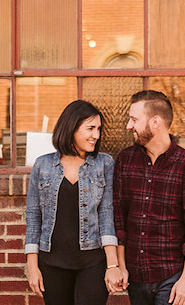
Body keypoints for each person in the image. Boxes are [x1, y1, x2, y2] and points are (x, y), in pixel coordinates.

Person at [25, 99, 125, 304]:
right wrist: (32, 266)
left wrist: (112, 266)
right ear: (71, 127)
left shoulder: (104, 163)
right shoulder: (43, 165)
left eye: (98, 129)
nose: (96, 135)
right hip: (51, 262)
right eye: (90, 128)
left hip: (93, 263)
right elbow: (34, 217)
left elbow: (107, 214)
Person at [112, 89, 185, 305]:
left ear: (155, 122)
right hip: (135, 277)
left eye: (134, 119)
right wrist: (121, 266)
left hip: (170, 277)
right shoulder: (125, 160)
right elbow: (119, 218)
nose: (129, 126)